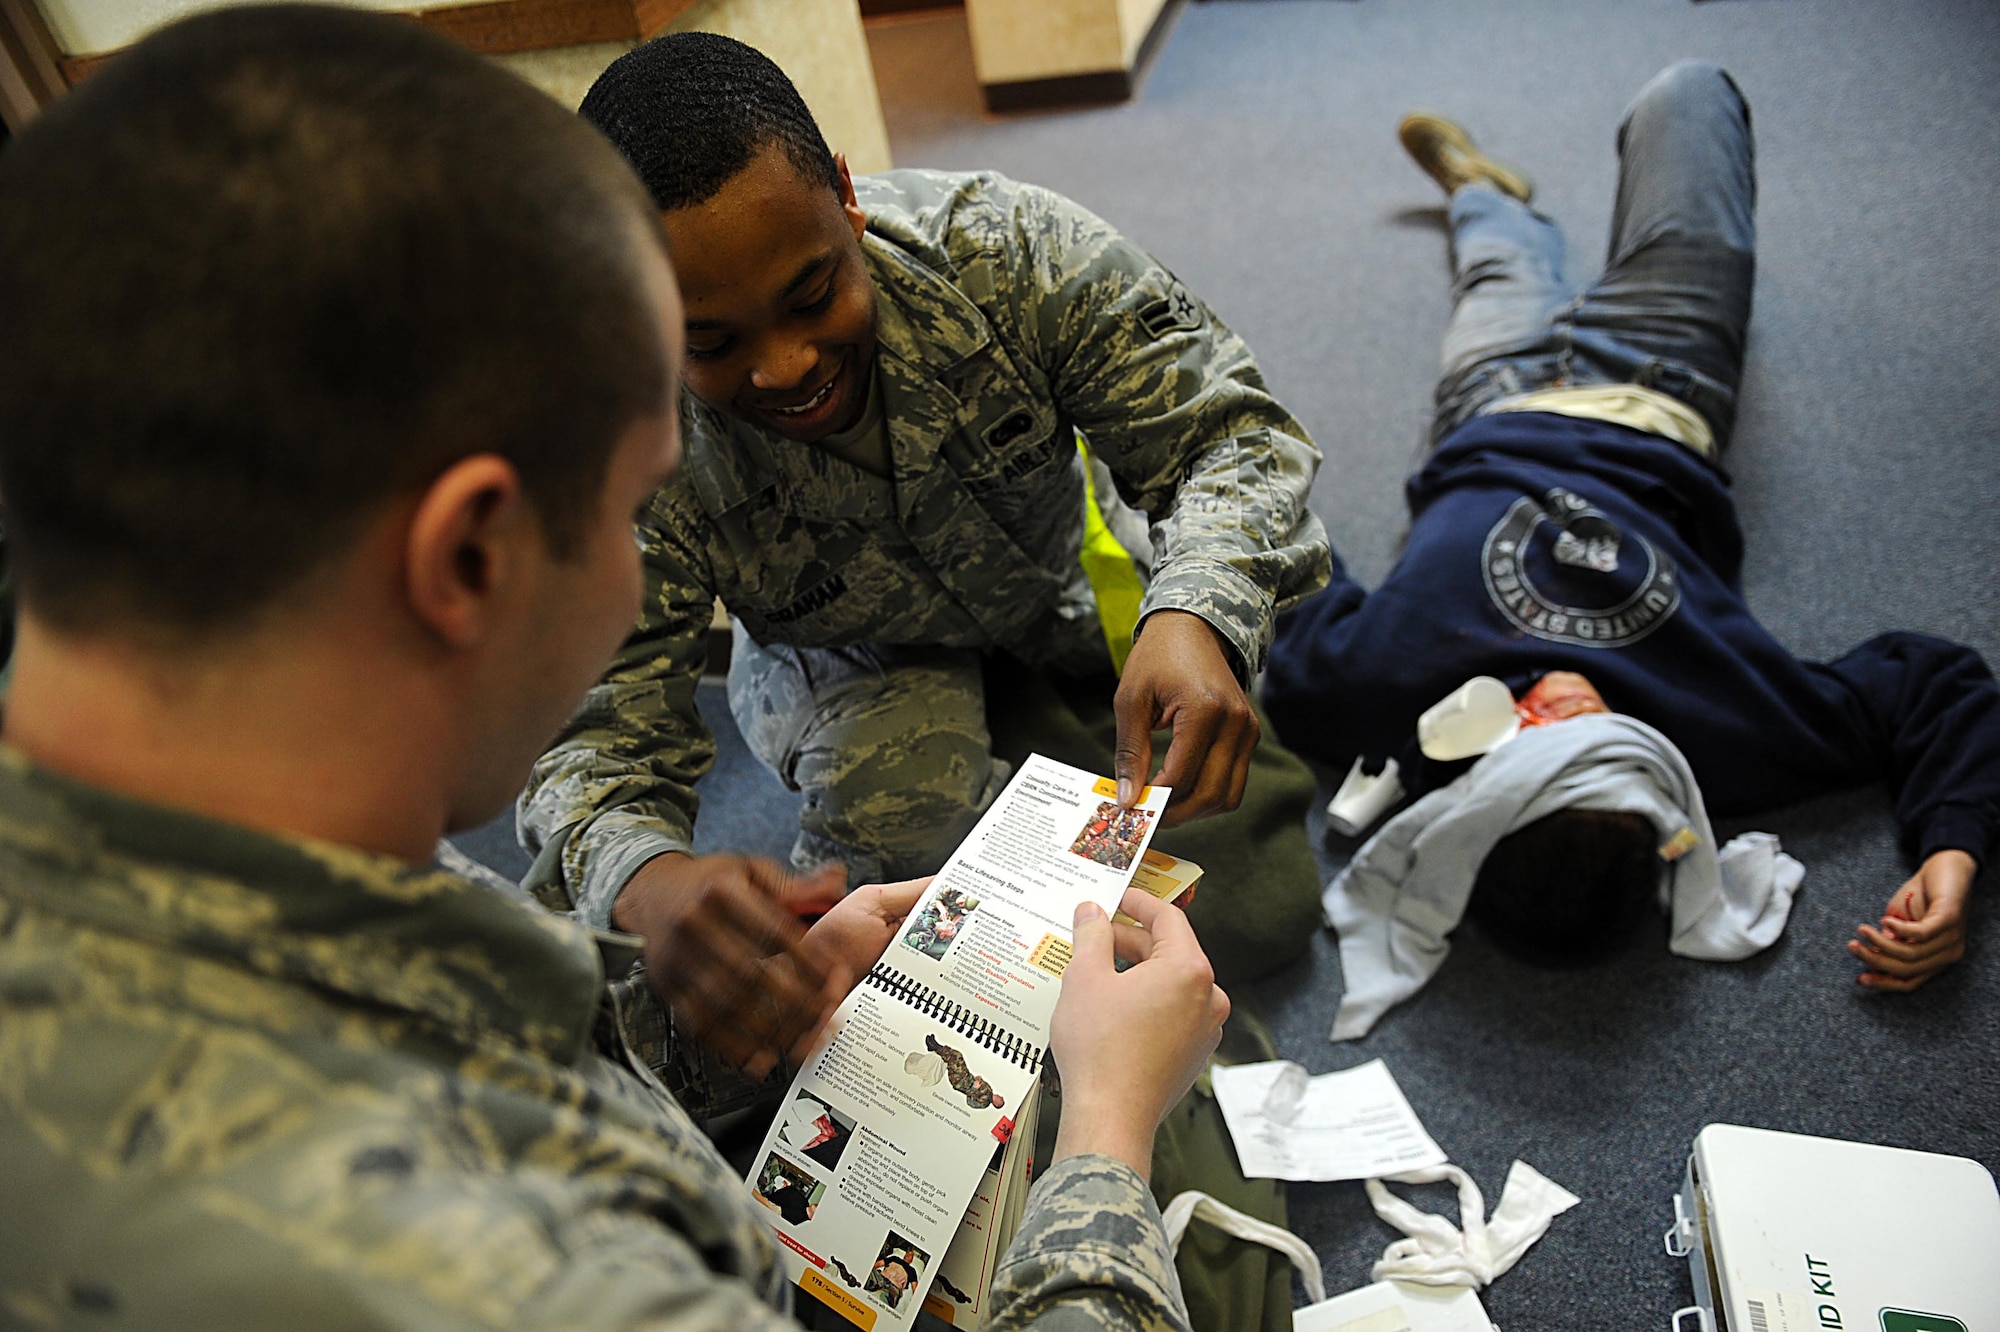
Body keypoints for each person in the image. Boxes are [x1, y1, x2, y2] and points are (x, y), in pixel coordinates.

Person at [0, 8, 1230, 1327]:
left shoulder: (276, 873)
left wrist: (694, 1037)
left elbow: (516, 1036)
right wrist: (1104, 1139)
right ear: (472, 554)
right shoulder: (538, 1282)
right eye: (632, 504)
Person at [520, 32, 1332, 1070]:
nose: (787, 365)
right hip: (850, 664)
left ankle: (1049, 713)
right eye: (711, 343)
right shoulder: (616, 438)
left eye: (813, 295)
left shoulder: (1007, 253)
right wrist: (646, 879)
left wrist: (1196, 613)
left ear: (848, 199)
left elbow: (1231, 437)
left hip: (1053, 597)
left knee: (1255, 904)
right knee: (897, 875)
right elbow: (585, 739)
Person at [1263, 62, 1997, 1010]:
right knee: (1688, 96)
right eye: (1604, 745)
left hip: (1492, 399)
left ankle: (1489, 194)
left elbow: (1278, 536)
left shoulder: (1359, 699)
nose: (1567, 707)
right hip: (1663, 386)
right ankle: (1503, 205)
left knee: (1498, 270)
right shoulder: (1740, 738)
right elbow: (1938, 685)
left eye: (1538, 749)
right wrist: (1957, 849)